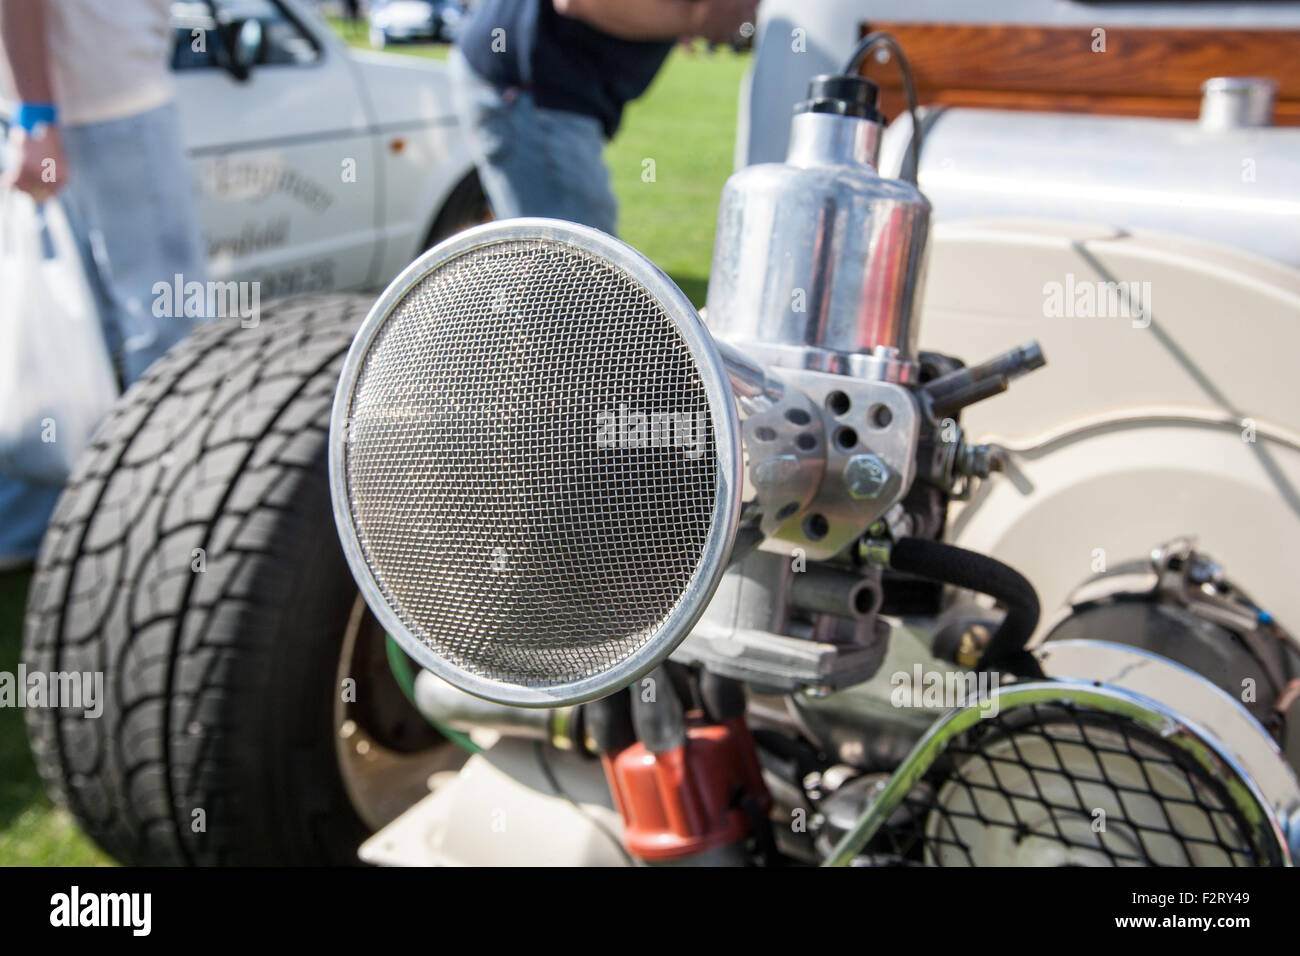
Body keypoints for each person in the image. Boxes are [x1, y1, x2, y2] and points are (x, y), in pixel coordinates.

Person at [0, 0, 206, 568]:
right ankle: (159, 519)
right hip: (103, 105)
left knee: (76, 330)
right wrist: (35, 116)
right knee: (167, 331)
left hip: (85, 105)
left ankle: (43, 521)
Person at [451, 0, 758, 236]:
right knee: (576, 281)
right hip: (531, 91)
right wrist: (694, 18)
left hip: (540, 87)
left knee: (562, 270)